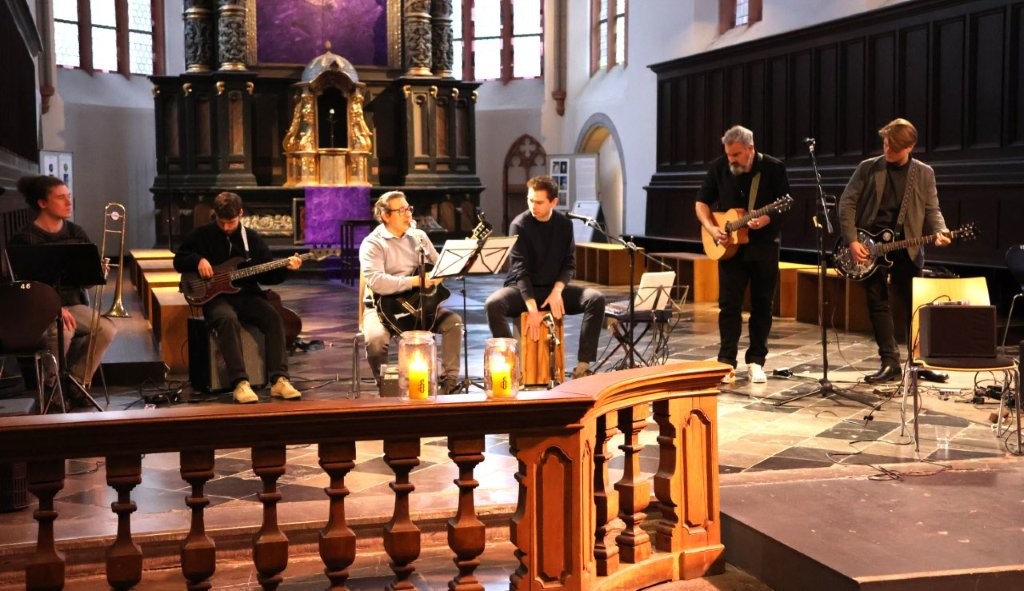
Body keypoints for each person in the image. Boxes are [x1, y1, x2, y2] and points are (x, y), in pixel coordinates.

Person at [838, 118, 951, 384]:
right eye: (886, 145)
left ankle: (919, 362)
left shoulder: (924, 173)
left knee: (914, 306)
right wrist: (852, 240)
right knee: (877, 303)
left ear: (910, 146)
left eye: (894, 148)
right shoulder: (868, 168)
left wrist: (941, 230)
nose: (887, 151)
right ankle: (890, 362)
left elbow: (932, 209)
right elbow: (847, 203)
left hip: (906, 247)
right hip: (870, 246)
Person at [173, 192, 304, 403]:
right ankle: (240, 383)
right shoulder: (202, 235)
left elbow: (268, 274)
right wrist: (197, 260)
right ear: (215, 215)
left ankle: (280, 379)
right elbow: (179, 260)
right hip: (214, 298)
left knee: (273, 316)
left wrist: (287, 268)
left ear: (241, 214)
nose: (226, 227)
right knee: (226, 319)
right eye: (221, 221)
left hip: (245, 295)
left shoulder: (251, 239)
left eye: (231, 222)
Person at [695, 125, 790, 384]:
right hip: (729, 250)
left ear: (750, 148)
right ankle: (726, 360)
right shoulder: (719, 167)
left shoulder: (773, 168)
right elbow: (702, 203)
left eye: (736, 154)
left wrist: (768, 217)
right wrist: (713, 229)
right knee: (728, 305)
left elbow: (785, 205)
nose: (731, 160)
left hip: (764, 247)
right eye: (728, 154)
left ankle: (756, 361)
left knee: (762, 306)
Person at [485, 175, 605, 380]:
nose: (533, 206)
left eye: (539, 202)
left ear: (554, 202)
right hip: (522, 289)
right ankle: (511, 366)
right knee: (493, 304)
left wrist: (558, 291)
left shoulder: (564, 225)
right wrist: (532, 308)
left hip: (552, 289)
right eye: (530, 200)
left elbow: (569, 264)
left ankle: (583, 366)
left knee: (595, 298)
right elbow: (520, 271)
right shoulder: (519, 225)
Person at [8, 175, 118, 395]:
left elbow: (85, 285)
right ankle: (51, 388)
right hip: (40, 311)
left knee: (106, 329)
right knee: (63, 332)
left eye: (69, 196)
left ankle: (77, 384)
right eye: (61, 198)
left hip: (73, 306)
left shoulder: (75, 233)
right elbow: (24, 289)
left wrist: (96, 273)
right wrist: (55, 309)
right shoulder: (25, 239)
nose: (69, 203)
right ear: (42, 203)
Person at [359, 191, 463, 394]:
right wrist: (416, 281)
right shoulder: (372, 243)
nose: (408, 214)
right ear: (385, 216)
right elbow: (377, 282)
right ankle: (386, 386)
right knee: (376, 341)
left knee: (454, 323)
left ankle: (449, 382)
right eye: (401, 210)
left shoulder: (419, 237)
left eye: (409, 209)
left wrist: (445, 271)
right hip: (381, 306)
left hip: (418, 304)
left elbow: (439, 265)